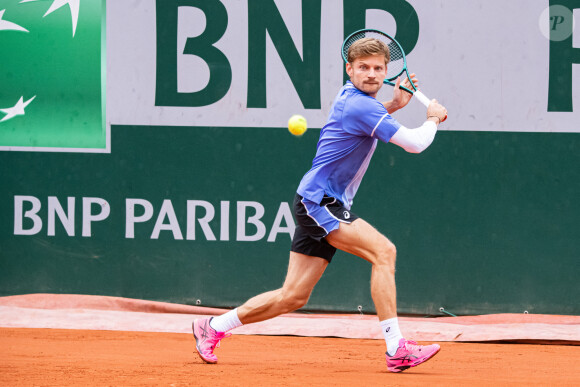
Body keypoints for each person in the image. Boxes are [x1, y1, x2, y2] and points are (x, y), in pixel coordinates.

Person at [192, 37, 448, 373]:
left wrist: (395, 105)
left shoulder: (353, 99)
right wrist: (432, 118)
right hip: (320, 202)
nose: (371, 74)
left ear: (386, 71)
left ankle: (212, 327)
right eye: (363, 68)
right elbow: (414, 144)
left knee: (293, 296)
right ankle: (396, 348)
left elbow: (367, 121)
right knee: (384, 252)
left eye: (378, 68)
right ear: (349, 69)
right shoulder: (361, 105)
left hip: (314, 199)